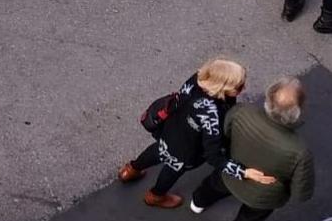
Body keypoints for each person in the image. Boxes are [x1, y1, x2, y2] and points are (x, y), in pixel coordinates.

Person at [118, 59, 275, 208]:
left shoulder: (198, 78)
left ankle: (130, 170)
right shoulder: (212, 115)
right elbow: (213, 155)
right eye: (239, 87)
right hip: (186, 150)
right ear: (222, 88)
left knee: (158, 150)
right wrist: (242, 171)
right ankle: (155, 196)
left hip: (170, 130)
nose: (244, 88)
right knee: (173, 169)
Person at [190, 77, 314, 221]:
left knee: (215, 184)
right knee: (248, 220)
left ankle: (198, 201)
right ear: (297, 111)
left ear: (268, 98)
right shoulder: (300, 152)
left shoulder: (241, 112)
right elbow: (302, 193)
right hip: (263, 195)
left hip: (232, 171)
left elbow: (224, 134)